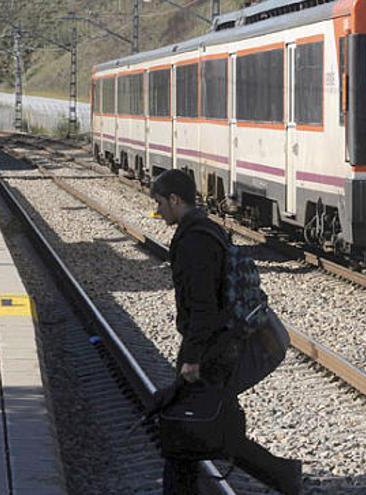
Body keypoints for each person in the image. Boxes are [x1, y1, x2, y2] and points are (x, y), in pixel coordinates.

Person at [151, 169, 302, 495]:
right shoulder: (205, 230)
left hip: (216, 346)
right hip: (220, 341)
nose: (158, 210)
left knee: (189, 425)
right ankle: (282, 474)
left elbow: (203, 306)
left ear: (175, 200)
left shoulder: (194, 242)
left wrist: (191, 359)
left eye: (160, 203)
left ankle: (283, 473)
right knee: (200, 423)